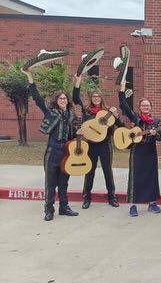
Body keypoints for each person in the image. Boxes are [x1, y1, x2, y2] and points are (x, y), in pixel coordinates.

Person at [23, 69, 79, 221]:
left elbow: (73, 135)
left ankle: (64, 207)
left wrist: (79, 135)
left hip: (66, 152)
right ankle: (49, 210)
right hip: (53, 150)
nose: (63, 100)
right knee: (51, 182)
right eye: (60, 98)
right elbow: (37, 99)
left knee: (64, 182)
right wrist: (30, 77)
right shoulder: (51, 112)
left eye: (65, 98)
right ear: (57, 100)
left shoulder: (71, 115)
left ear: (67, 101)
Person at [73, 74, 123, 209]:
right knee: (90, 170)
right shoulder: (87, 111)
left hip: (105, 144)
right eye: (94, 97)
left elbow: (120, 124)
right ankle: (87, 198)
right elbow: (75, 98)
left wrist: (116, 115)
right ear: (91, 98)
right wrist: (78, 82)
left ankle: (112, 197)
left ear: (101, 98)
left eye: (98, 97)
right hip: (91, 145)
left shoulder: (107, 112)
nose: (96, 99)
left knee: (108, 171)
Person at [118, 83, 161, 217]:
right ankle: (133, 205)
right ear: (139, 107)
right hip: (137, 152)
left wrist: (156, 134)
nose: (145, 107)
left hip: (150, 152)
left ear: (151, 108)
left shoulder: (156, 121)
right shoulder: (135, 118)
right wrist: (121, 91)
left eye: (147, 106)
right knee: (135, 178)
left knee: (151, 177)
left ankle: (152, 203)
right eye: (143, 105)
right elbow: (124, 106)